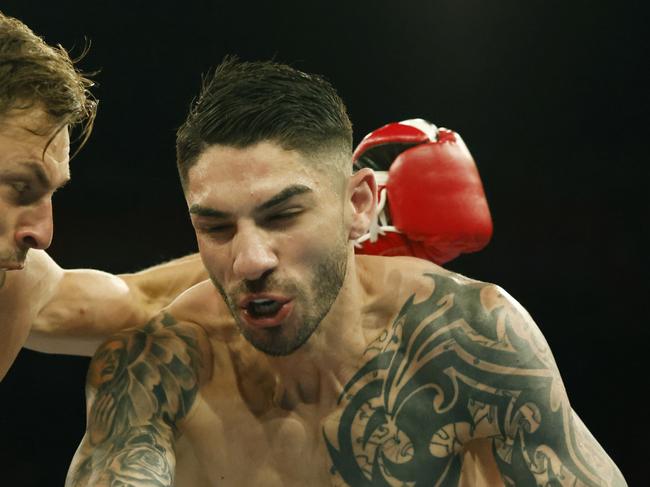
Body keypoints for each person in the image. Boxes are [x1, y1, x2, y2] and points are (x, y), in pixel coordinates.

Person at [66, 59, 627, 486]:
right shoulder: (154, 369)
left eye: (282, 215)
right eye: (216, 227)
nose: (250, 260)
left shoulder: (467, 340)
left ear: (358, 205)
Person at [0, 11, 208, 380]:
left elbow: (146, 303)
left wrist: (326, 234)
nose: (43, 234)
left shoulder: (13, 285)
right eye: (20, 187)